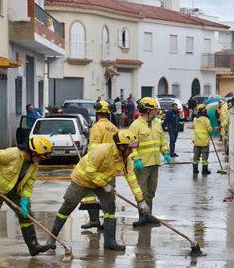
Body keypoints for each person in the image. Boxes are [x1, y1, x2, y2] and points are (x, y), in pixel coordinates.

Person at [46, 130, 150, 251]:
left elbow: (132, 180)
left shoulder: (126, 160)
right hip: (82, 180)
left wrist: (141, 201)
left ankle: (110, 242)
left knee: (110, 208)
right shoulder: (102, 151)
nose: (132, 151)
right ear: (121, 146)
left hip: (102, 182)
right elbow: (90, 171)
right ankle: (51, 238)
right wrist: (105, 185)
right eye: (129, 148)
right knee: (67, 207)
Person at [0, 137, 54, 264]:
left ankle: (33, 246)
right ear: (34, 152)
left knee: (26, 215)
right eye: (42, 156)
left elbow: (29, 183)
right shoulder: (13, 154)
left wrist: (24, 200)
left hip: (13, 190)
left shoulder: (33, 164)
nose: (42, 159)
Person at [129, 97, 170, 227]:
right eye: (153, 110)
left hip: (154, 163)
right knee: (141, 192)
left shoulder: (157, 123)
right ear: (146, 110)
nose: (156, 112)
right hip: (142, 165)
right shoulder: (135, 126)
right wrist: (136, 159)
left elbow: (162, 140)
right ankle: (142, 216)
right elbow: (131, 146)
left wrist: (166, 152)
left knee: (151, 191)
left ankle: (149, 215)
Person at [79, 100, 118, 231]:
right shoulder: (113, 127)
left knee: (90, 193)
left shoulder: (97, 127)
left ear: (97, 113)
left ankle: (94, 220)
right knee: (108, 197)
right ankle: (108, 222)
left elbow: (94, 149)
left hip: (97, 167)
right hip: (110, 168)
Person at [193, 104, 213, 175]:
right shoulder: (206, 119)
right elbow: (210, 129)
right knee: (204, 157)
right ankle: (204, 170)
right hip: (204, 141)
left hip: (196, 141)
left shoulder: (195, 119)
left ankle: (195, 170)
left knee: (196, 156)